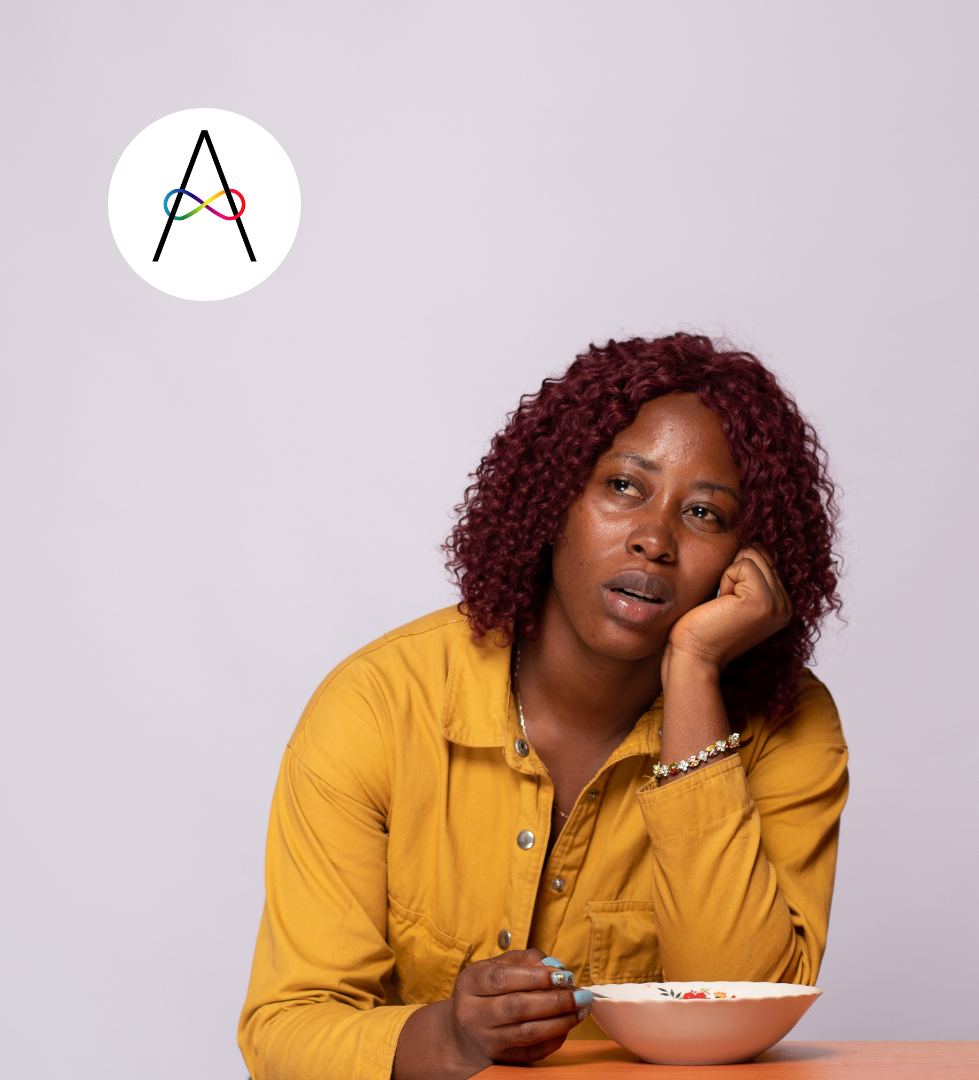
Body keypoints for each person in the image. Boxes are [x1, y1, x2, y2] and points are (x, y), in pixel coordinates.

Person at [238, 333, 848, 1080]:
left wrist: (693, 672)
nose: (654, 538)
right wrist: (453, 1040)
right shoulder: (379, 706)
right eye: (624, 486)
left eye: (704, 515)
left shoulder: (789, 727)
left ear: (744, 561)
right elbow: (286, 1031)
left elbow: (739, 1013)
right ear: (554, 498)